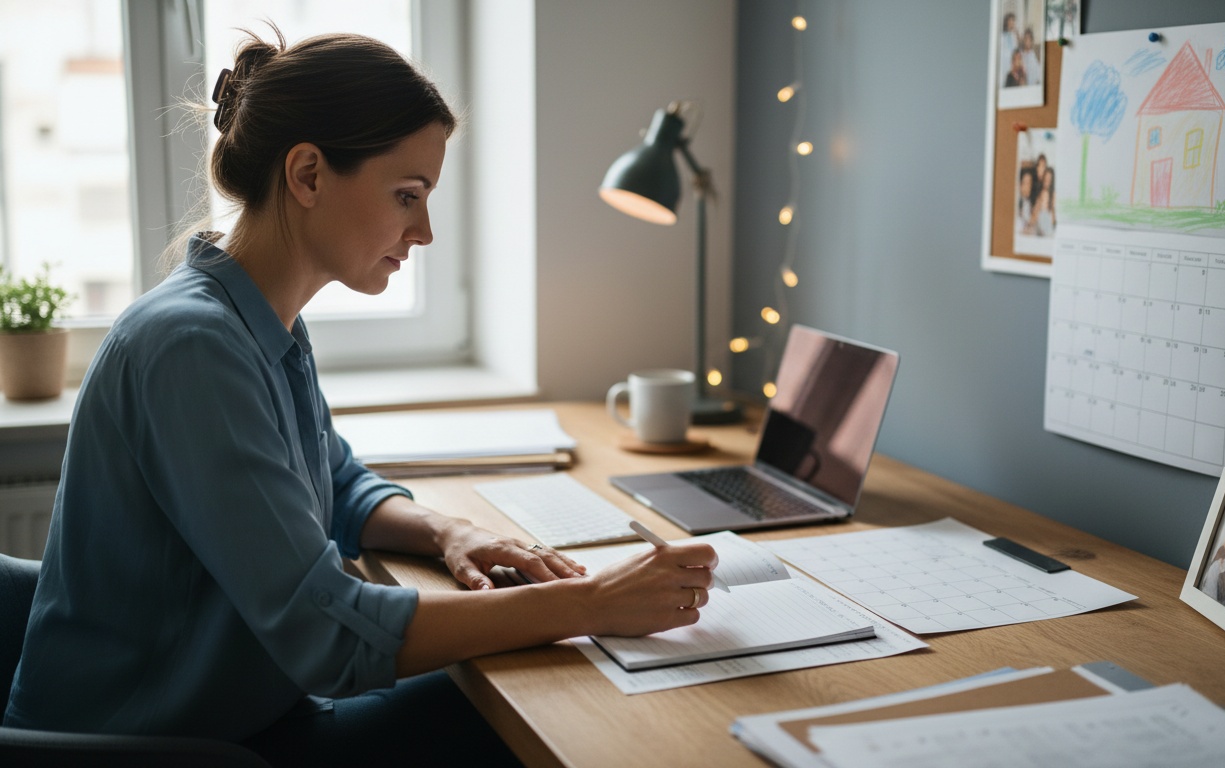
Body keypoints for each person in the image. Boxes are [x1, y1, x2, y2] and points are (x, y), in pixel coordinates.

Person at [3, 28, 718, 766]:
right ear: (308, 174)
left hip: (238, 711)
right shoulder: (192, 348)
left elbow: (333, 481)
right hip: (155, 743)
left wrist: (446, 533)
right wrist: (589, 603)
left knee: (524, 690)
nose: (425, 230)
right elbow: (328, 639)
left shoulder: (258, 320)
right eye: (407, 195)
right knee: (550, 715)